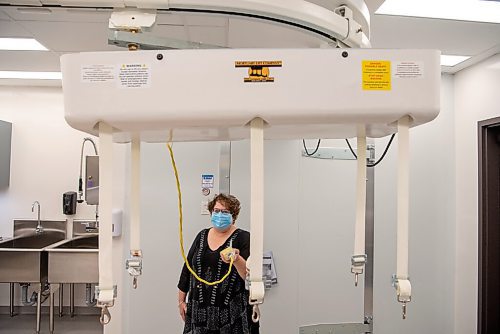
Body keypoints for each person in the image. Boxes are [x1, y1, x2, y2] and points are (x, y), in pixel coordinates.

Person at [177, 193, 259, 334]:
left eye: (225, 212)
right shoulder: (201, 235)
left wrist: (236, 259)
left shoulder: (244, 238)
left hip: (232, 315)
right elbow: (187, 269)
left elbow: (248, 276)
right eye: (216, 211)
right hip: (199, 313)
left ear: (233, 216)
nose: (219, 214)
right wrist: (181, 301)